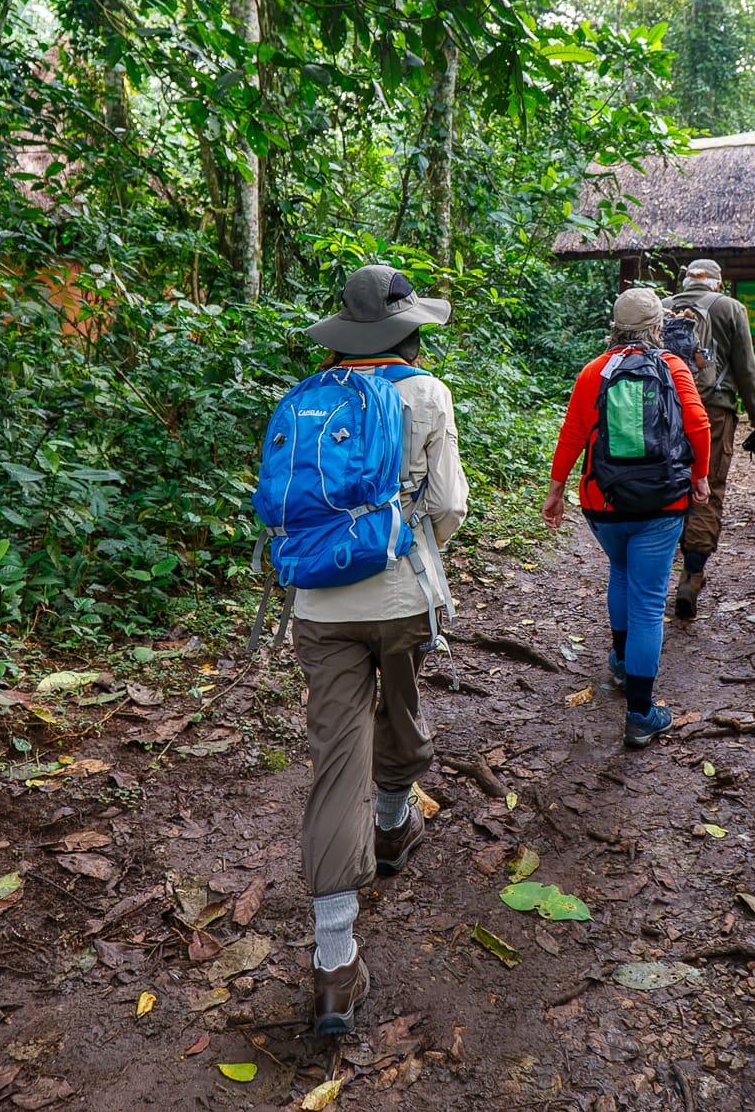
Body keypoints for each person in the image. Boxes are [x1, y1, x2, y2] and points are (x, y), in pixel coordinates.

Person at [289, 265, 466, 1037]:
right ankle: (394, 824)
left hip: (318, 606)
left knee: (335, 761)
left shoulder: (305, 398)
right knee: (399, 708)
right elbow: (449, 504)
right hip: (399, 597)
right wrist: (416, 553)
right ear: (406, 327)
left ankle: (334, 965)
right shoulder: (425, 393)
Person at [543, 288, 711, 747]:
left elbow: (573, 433)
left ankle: (619, 663)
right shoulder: (674, 368)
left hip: (604, 502)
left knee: (620, 571)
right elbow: (698, 426)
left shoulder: (594, 370)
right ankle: (640, 713)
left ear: (615, 327)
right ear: (658, 327)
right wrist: (700, 477)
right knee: (649, 603)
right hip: (662, 504)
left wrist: (557, 489)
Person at [663, 258, 755, 619]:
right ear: (717, 284)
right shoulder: (730, 309)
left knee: (670, 482)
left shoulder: (661, 308)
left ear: (686, 280)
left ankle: (659, 566)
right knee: (709, 485)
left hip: (666, 412)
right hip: (714, 410)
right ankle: (692, 573)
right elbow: (747, 371)